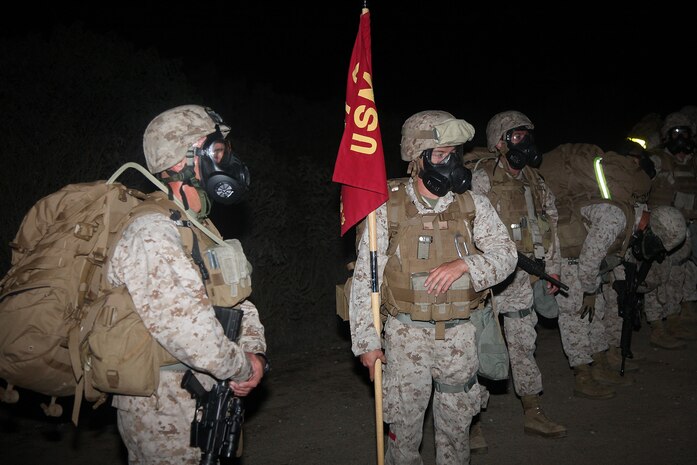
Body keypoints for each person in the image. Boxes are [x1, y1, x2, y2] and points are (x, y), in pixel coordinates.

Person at [348, 110, 517, 465]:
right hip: (405, 335)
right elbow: (366, 277)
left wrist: (465, 265)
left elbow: (506, 255)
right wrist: (366, 341)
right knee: (403, 432)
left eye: (454, 153)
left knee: (457, 432)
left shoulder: (472, 203)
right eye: (440, 155)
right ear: (417, 158)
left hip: (460, 335)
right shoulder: (387, 208)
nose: (450, 162)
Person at [110, 104, 268, 464]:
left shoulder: (199, 226)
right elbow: (188, 331)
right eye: (215, 150)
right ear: (185, 160)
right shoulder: (152, 231)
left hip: (211, 390)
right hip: (161, 407)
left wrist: (254, 353)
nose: (225, 159)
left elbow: (239, 300)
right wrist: (241, 367)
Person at [465, 110, 566, 439]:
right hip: (493, 279)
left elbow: (550, 222)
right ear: (500, 142)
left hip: (526, 276)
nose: (526, 142)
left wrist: (552, 267)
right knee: (484, 347)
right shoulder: (482, 177)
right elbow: (469, 228)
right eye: (517, 136)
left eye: (527, 135)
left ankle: (533, 410)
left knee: (524, 344)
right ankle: (473, 424)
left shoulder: (534, 179)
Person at [539, 142, 654, 398]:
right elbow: (590, 260)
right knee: (575, 318)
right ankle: (582, 375)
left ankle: (599, 365)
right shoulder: (617, 218)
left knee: (597, 313)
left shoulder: (626, 219)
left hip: (584, 267)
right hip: (571, 263)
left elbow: (611, 256)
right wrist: (589, 290)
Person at [644, 111, 697, 346]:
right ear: (666, 137)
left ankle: (674, 319)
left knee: (678, 275)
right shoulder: (657, 160)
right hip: (661, 229)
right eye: (675, 133)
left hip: (687, 228)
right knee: (656, 277)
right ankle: (657, 326)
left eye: (684, 133)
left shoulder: (692, 161)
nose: (680, 138)